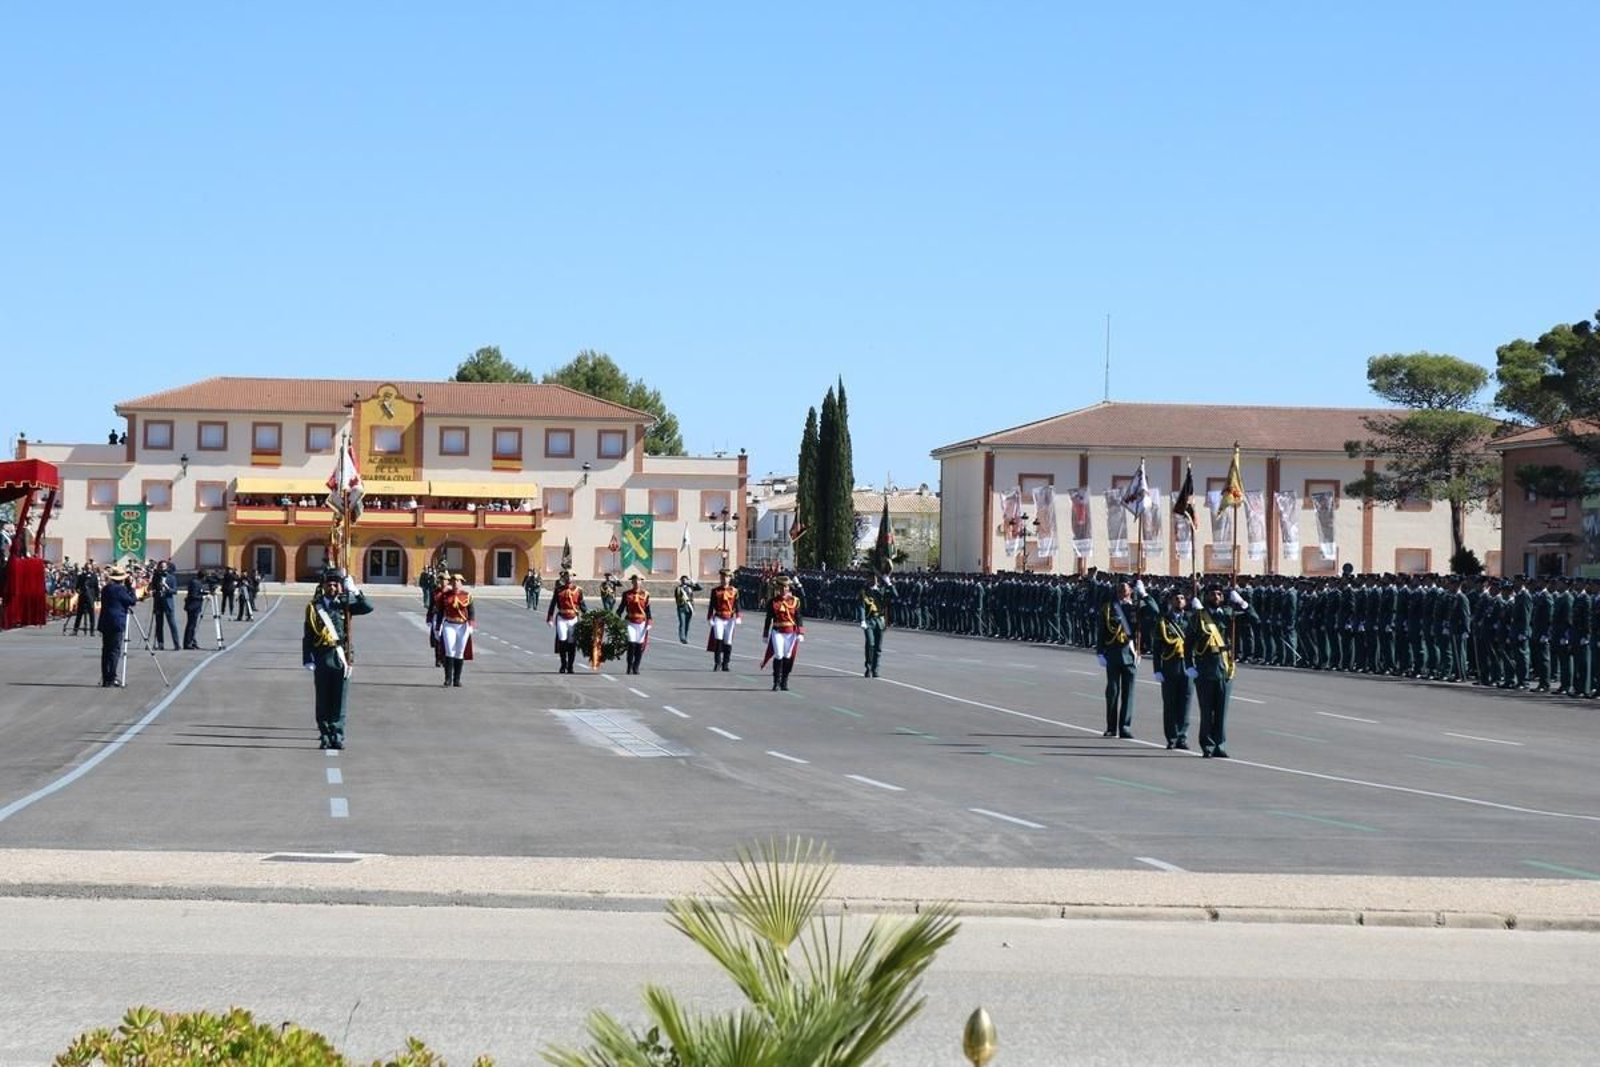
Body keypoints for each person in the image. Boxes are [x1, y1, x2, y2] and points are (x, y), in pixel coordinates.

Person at [301, 568, 373, 749]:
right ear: (323, 586)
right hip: (321, 656)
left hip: (342, 656)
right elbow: (308, 634)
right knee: (323, 698)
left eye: (335, 584)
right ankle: (325, 734)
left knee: (340, 699)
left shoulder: (346, 604)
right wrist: (307, 658)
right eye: (329, 584)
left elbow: (367, 608)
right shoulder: (314, 607)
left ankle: (338, 734)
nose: (332, 587)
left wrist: (355, 590)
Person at [1187, 582, 1257, 759]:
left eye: (1219, 594)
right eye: (1212, 594)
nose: (1216, 597)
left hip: (1225, 667)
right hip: (1205, 666)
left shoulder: (1228, 615)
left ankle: (1220, 744)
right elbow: (1188, 643)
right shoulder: (1198, 617)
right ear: (1206, 596)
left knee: (1221, 710)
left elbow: (1255, 619)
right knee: (1206, 710)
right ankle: (1207, 746)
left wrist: (1242, 603)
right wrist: (1189, 665)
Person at [1148, 586, 1193, 750]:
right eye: (1176, 598)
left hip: (1187, 666)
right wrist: (1157, 669)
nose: (1179, 601)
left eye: (1182, 598)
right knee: (1170, 704)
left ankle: (1182, 736)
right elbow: (1157, 648)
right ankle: (1172, 737)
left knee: (1185, 703)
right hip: (1170, 665)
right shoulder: (1163, 621)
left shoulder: (1191, 619)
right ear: (1170, 601)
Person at [1097, 578, 1140, 739]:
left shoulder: (1136, 608)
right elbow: (1101, 631)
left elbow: (1154, 612)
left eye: (1125, 587)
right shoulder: (1109, 608)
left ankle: (1125, 727)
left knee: (1128, 694)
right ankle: (1111, 727)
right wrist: (1100, 652)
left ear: (1131, 590)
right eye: (1120, 587)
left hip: (1130, 654)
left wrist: (1145, 595)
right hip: (1113, 654)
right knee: (1113, 692)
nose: (1122, 590)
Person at [429, 572, 475, 687]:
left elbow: (471, 611)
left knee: (459, 652)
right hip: (449, 624)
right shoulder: (445, 595)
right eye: (453, 581)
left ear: (462, 583)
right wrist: (437, 627)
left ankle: (457, 679)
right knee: (450, 651)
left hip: (462, 626)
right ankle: (448, 679)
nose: (455, 583)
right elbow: (440, 612)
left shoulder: (467, 595)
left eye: (458, 581)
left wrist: (470, 625)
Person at [96, 568, 140, 687]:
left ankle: (106, 677)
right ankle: (112, 677)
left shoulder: (106, 589)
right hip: (116, 621)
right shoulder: (121, 590)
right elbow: (132, 601)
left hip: (105, 621)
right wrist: (131, 588)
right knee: (114, 651)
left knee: (106, 650)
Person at [761, 574, 804, 691]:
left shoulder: (795, 601)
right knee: (779, 655)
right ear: (778, 588)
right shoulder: (773, 602)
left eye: (786, 587)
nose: (784, 589)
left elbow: (798, 616)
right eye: (781, 587)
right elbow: (768, 618)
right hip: (778, 631)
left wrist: (800, 632)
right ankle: (776, 682)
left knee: (788, 656)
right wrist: (765, 633)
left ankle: (785, 680)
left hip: (791, 632)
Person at [546, 571, 587, 674]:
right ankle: (563, 664)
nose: (569, 578)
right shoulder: (558, 590)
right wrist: (550, 617)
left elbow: (582, 605)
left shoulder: (578, 590)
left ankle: (570, 666)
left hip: (573, 619)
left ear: (574, 577)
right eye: (567, 576)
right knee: (562, 641)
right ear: (564, 578)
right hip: (562, 618)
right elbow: (553, 604)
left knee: (571, 643)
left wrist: (590, 616)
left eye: (571, 576)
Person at [858, 570, 894, 678]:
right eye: (872, 578)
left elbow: (895, 595)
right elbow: (861, 606)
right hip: (869, 620)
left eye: (876, 578)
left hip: (880, 620)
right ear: (868, 579)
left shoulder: (882, 590)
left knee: (878, 647)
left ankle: (875, 669)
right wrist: (862, 620)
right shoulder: (864, 591)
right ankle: (868, 668)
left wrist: (890, 584)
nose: (874, 580)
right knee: (870, 644)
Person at [705, 569, 741, 671]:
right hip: (719, 618)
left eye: (726, 577)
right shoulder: (715, 591)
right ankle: (717, 663)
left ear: (729, 578)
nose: (724, 579)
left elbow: (737, 605)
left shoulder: (734, 591)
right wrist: (709, 617)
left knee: (728, 641)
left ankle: (726, 663)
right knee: (718, 639)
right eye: (722, 577)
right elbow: (711, 605)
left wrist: (738, 616)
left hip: (730, 619)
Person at [620, 574, 652, 674]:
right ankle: (629, 665)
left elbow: (647, 610)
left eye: (638, 580)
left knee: (639, 645)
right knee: (631, 643)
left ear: (641, 582)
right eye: (634, 580)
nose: (637, 582)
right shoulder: (627, 594)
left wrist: (649, 621)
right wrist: (616, 616)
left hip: (642, 622)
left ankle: (636, 666)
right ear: (632, 582)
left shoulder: (645, 594)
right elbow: (622, 607)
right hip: (630, 621)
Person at [149, 562, 178, 650]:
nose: (162, 569)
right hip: (158, 602)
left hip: (168, 603)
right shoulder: (156, 577)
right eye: (160, 567)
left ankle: (176, 644)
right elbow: (153, 588)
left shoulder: (171, 578)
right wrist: (153, 591)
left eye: (163, 567)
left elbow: (175, 591)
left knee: (172, 624)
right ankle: (160, 643)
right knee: (159, 624)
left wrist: (167, 588)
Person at [72, 562, 99, 637]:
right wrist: (78, 590)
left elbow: (96, 588)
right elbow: (77, 586)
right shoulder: (81, 576)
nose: (88, 570)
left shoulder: (94, 576)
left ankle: (92, 631)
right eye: (87, 568)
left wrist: (97, 598)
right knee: (79, 614)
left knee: (91, 614)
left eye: (89, 568)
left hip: (91, 597)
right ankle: (75, 630)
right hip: (82, 596)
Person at [674, 575, 702, 643]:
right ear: (681, 580)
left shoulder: (691, 587)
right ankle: (682, 637)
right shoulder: (678, 588)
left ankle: (685, 637)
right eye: (683, 579)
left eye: (686, 579)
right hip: (681, 608)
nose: (684, 580)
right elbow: (676, 598)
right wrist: (679, 604)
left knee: (687, 623)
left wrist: (695, 583)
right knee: (682, 623)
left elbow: (700, 588)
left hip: (689, 608)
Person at [182, 572, 206, 650]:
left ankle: (192, 641)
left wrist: (205, 593)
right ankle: (187, 643)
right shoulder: (195, 583)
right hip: (193, 607)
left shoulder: (198, 582)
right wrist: (203, 597)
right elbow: (194, 595)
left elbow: (199, 592)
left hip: (195, 607)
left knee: (193, 626)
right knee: (191, 626)